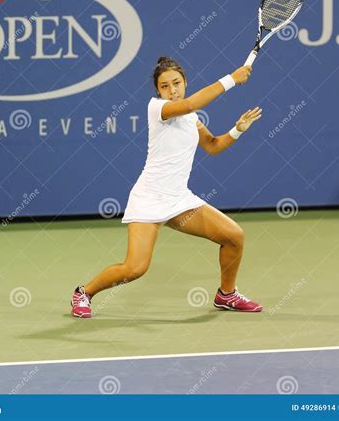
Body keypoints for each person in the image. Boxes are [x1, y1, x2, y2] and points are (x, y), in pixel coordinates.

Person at [71, 56, 263, 318]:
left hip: (179, 200)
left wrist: (238, 130)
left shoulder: (191, 118)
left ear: (185, 82)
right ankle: (84, 292)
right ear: (158, 91)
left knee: (233, 237)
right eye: (165, 86)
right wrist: (232, 78)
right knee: (135, 268)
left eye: (177, 83)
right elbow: (191, 102)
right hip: (149, 198)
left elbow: (213, 146)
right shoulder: (157, 108)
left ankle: (226, 295)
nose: (172, 90)